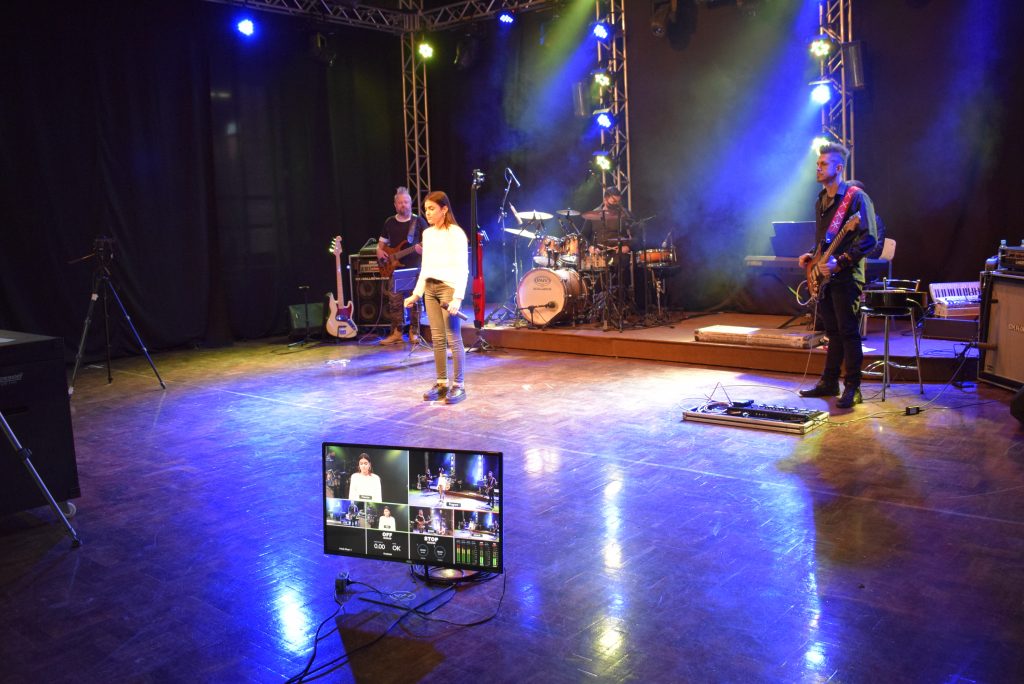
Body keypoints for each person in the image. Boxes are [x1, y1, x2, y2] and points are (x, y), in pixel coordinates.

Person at [798, 142, 878, 409]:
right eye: (817, 163)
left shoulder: (856, 198)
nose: (818, 168)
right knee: (832, 332)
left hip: (847, 276)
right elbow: (825, 240)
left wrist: (841, 262)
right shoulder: (821, 200)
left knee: (848, 331)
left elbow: (870, 239)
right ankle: (830, 382)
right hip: (825, 276)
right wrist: (813, 255)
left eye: (824, 164)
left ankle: (853, 387)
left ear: (839, 168)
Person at [404, 191, 469, 404]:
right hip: (430, 289)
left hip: (448, 289)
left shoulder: (456, 233)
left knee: (453, 337)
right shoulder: (428, 234)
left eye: (432, 208)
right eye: (426, 209)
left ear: (444, 209)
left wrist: (458, 298)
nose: (428, 213)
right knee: (438, 338)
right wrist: (416, 294)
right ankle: (442, 384)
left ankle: (458, 385)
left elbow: (463, 268)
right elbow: (426, 267)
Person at [377, 186, 427, 345]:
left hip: (415, 269)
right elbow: (381, 245)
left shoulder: (419, 221)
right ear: (395, 205)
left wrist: (422, 250)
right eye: (400, 202)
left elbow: (430, 243)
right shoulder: (389, 222)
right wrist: (379, 252)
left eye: (406, 202)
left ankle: (414, 332)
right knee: (395, 302)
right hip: (395, 269)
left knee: (416, 301)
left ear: (410, 203)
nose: (403, 205)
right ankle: (397, 333)